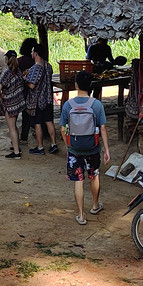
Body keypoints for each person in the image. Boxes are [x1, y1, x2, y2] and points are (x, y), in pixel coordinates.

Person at [60, 70, 111, 224]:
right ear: (91, 85)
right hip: (93, 148)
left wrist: (67, 144)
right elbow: (102, 128)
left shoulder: (68, 105)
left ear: (76, 85)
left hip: (74, 148)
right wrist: (106, 150)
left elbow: (62, 129)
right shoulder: (97, 105)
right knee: (94, 175)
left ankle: (81, 215)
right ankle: (95, 205)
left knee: (78, 179)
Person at [24, 45, 58, 155]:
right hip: (48, 99)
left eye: (32, 51)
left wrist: (25, 79)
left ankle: (40, 147)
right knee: (49, 122)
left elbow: (32, 85)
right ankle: (53, 144)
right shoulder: (48, 66)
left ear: (36, 54)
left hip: (37, 101)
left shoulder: (36, 67)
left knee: (37, 123)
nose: (31, 53)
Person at [0, 50, 27, 158]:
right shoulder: (17, 70)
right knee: (14, 126)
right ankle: (15, 145)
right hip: (18, 103)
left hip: (9, 103)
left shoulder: (6, 72)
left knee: (11, 127)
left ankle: (16, 152)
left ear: (7, 59)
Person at [16, 38, 37, 143]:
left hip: (20, 92)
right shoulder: (36, 62)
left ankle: (18, 137)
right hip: (33, 92)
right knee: (29, 115)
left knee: (18, 115)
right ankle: (27, 135)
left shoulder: (19, 61)